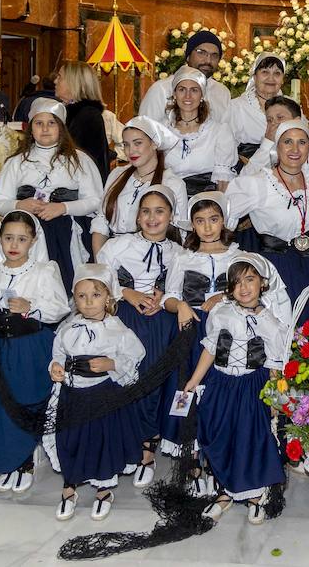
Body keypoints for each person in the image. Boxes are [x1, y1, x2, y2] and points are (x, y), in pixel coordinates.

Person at [0, 210, 70, 494]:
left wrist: (31, 306)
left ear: (33, 241)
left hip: (31, 344)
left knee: (26, 400)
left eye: (22, 239)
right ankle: (7, 459)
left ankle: (24, 461)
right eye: (8, 238)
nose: (14, 244)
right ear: (0, 239)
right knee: (0, 403)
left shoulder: (44, 271)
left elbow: (59, 307)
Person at [181, 254, 287, 525]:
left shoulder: (271, 321)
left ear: (262, 283)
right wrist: (193, 381)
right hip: (222, 382)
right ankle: (225, 490)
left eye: (250, 280)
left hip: (252, 385)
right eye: (237, 282)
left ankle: (254, 495)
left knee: (251, 437)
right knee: (219, 432)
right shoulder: (221, 312)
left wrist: (274, 397)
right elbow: (210, 348)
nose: (244, 288)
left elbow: (275, 363)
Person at [225, 119, 309, 323]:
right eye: (287, 142)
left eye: (302, 142)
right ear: (277, 147)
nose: (295, 149)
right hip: (275, 271)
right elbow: (223, 218)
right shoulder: (257, 184)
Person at [97, 185, 186, 487]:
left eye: (159, 211)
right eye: (145, 211)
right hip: (125, 318)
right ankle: (125, 443)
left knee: (154, 379)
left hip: (161, 321)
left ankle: (148, 447)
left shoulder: (179, 253)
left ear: (171, 216)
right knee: (125, 378)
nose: (152, 217)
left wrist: (164, 297)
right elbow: (98, 280)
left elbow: (181, 288)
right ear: (137, 217)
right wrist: (127, 292)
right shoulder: (117, 246)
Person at [45, 264, 147, 522]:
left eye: (96, 295)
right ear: (74, 298)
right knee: (70, 439)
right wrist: (56, 367)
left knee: (101, 440)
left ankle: (103, 489)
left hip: (101, 394)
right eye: (82, 296)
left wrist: (112, 363)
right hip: (72, 394)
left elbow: (135, 355)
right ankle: (70, 485)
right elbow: (58, 353)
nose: (89, 302)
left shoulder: (116, 329)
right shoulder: (68, 328)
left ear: (108, 298)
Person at [0, 98, 104, 288]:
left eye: (51, 123)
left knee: (63, 283)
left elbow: (95, 200)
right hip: (26, 235)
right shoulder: (16, 162)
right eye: (39, 123)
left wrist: (63, 207)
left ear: (61, 127)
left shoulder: (80, 160)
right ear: (31, 128)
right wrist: (19, 205)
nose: (45, 129)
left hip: (66, 234)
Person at [92, 116, 186, 255]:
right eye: (126, 144)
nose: (131, 151)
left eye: (138, 143)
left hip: (153, 257)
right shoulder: (117, 175)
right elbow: (101, 221)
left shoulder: (172, 183)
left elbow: (180, 233)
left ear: (154, 143)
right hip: (112, 255)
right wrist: (100, 260)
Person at [162, 67, 238, 197]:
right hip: (169, 199)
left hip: (205, 202)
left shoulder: (219, 132)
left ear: (202, 95)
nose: (187, 96)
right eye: (182, 90)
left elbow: (223, 182)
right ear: (174, 94)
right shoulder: (162, 130)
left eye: (194, 90)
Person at [139, 30, 232, 122]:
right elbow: (144, 127)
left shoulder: (222, 92)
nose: (208, 60)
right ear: (188, 56)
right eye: (201, 52)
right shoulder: (161, 89)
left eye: (214, 55)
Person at [240, 95, 309, 180]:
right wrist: (267, 144)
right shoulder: (267, 152)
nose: (274, 123)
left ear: (297, 121)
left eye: (280, 118)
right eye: (269, 120)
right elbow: (243, 180)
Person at [54, 61, 112, 182]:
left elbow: (78, 158)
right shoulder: (72, 113)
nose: (55, 81)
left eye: (60, 77)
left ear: (74, 82)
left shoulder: (88, 116)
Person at [229, 52, 287, 168]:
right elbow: (226, 147)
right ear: (254, 77)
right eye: (265, 72)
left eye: (277, 73)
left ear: (282, 80)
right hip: (247, 169)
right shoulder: (236, 107)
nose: (271, 78)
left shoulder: (291, 106)